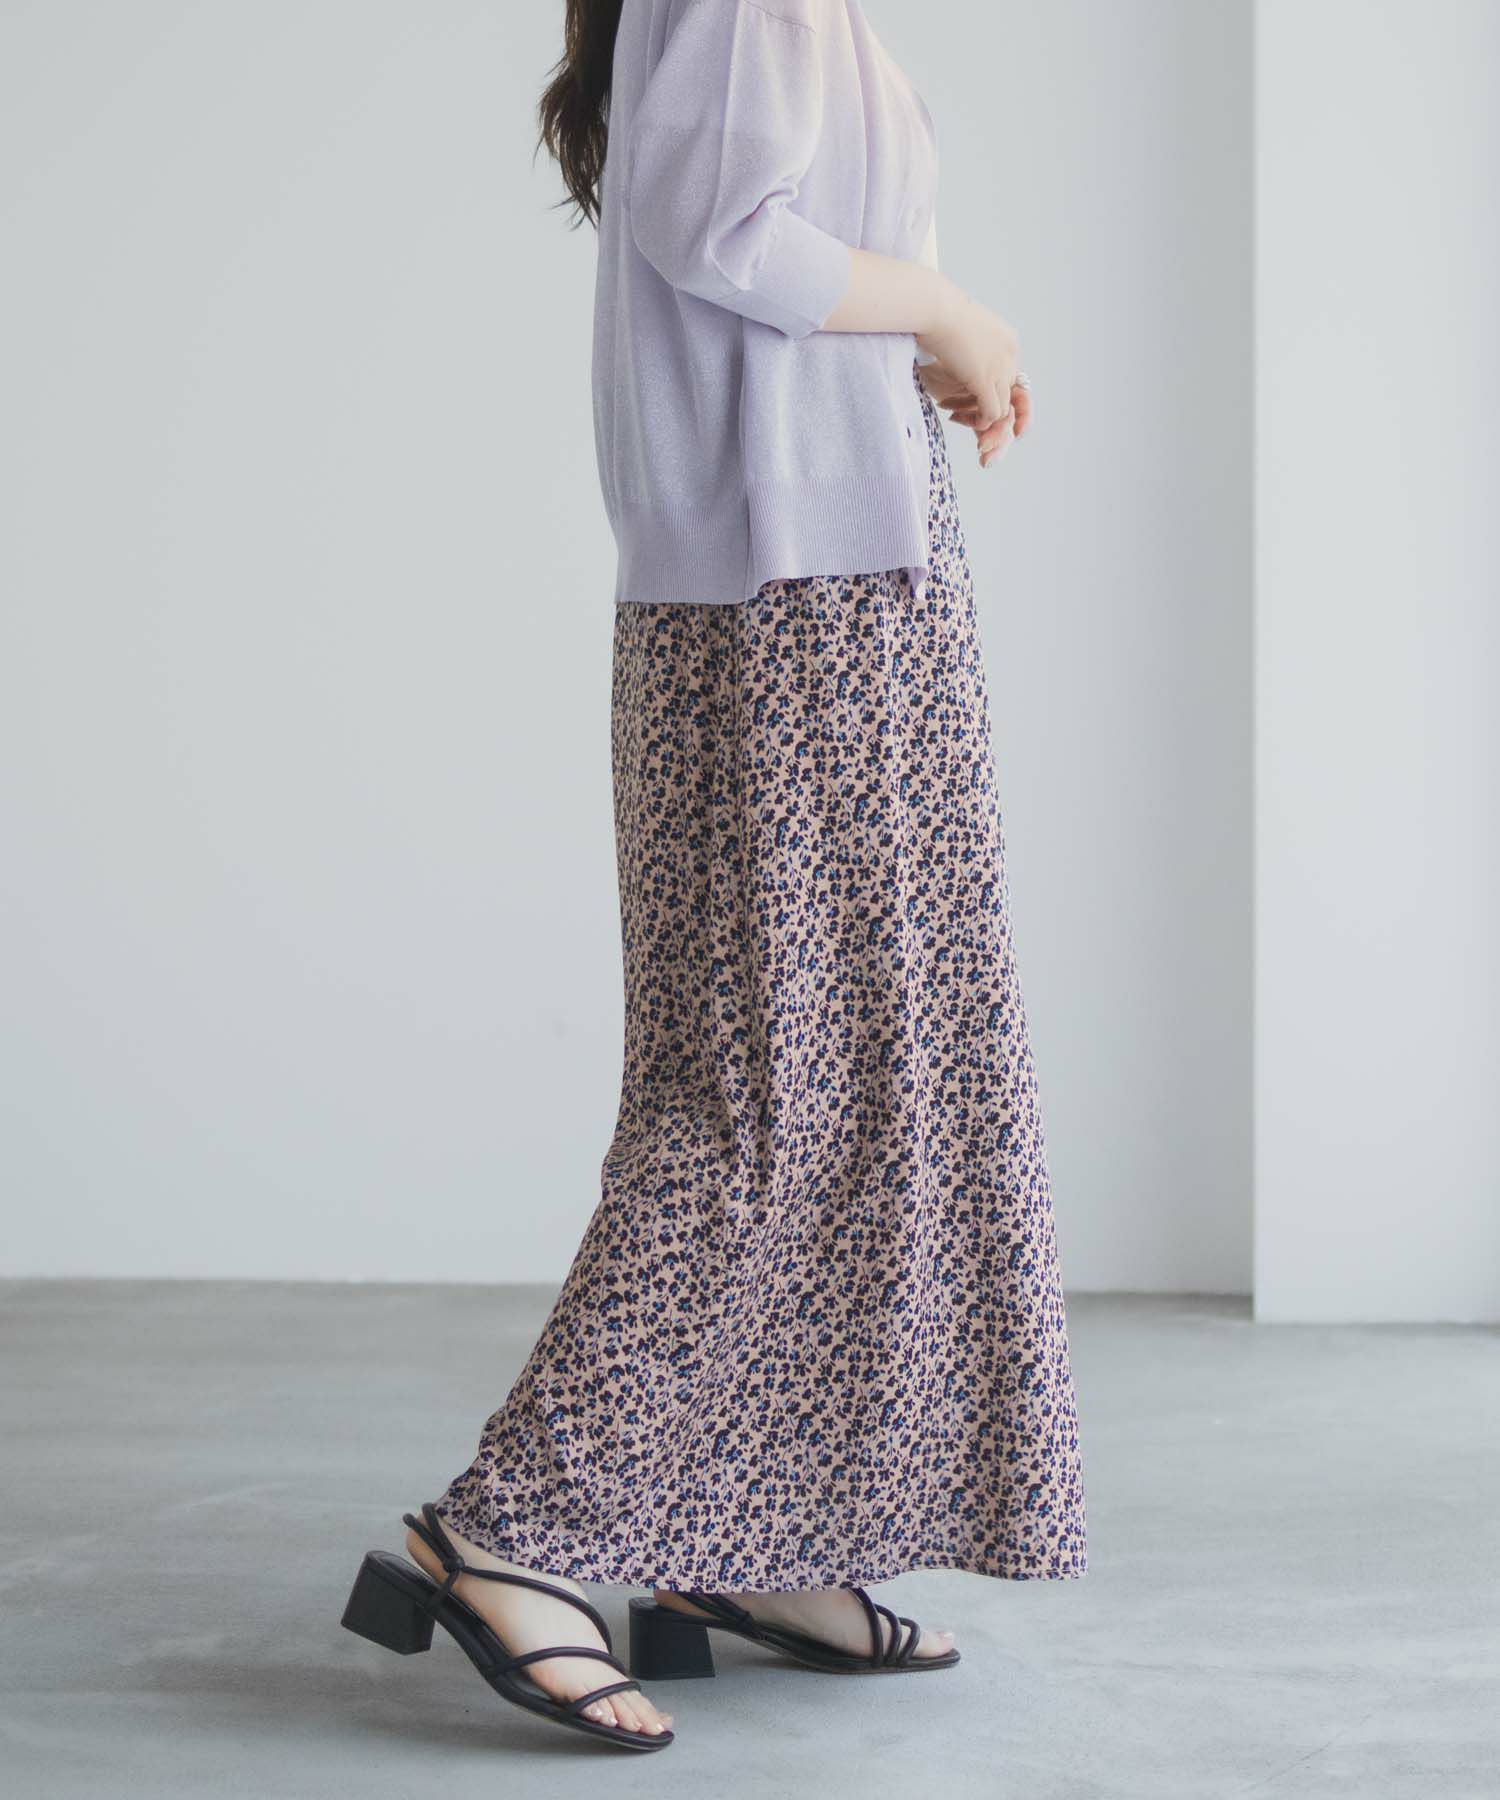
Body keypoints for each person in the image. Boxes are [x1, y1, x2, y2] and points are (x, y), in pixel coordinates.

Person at [340, 0, 1086, 1752]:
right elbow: (718, 229)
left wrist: (906, 345)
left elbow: (761, 266)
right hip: (796, 598)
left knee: (864, 1081)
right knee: (773, 1091)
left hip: (824, 573)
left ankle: (748, 1538)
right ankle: (509, 1532)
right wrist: (948, 309)